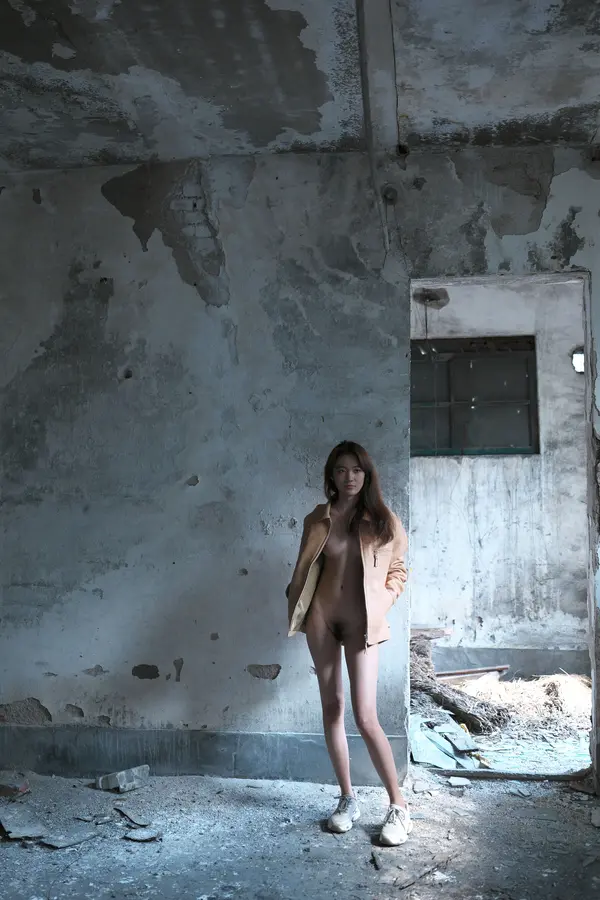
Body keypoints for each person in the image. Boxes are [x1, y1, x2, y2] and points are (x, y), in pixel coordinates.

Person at [286, 440, 411, 846]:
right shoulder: (317, 518)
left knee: (366, 715)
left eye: (356, 470)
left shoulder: (384, 520)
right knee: (332, 708)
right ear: (331, 476)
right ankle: (347, 799)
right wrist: (295, 598)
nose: (349, 477)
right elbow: (306, 568)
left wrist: (384, 601)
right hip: (322, 619)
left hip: (363, 624)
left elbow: (398, 571)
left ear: (367, 474)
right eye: (341, 470)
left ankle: (398, 806)